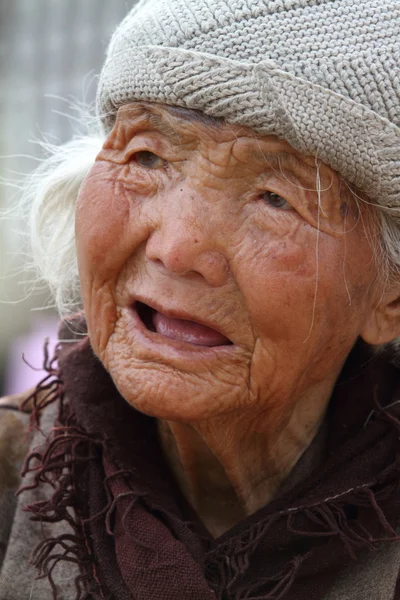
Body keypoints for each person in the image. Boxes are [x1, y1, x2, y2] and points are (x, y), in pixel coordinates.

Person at [1, 0, 400, 598]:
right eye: (147, 157)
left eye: (274, 198)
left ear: (390, 297)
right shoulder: (11, 473)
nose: (177, 248)